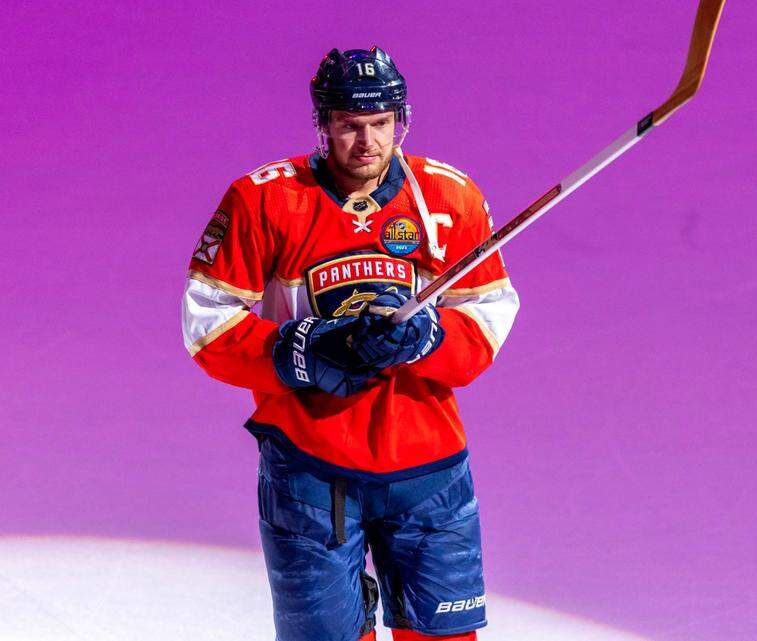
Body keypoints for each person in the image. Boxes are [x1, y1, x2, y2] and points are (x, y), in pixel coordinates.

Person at [181, 46, 519, 641]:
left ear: (401, 119)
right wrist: (306, 351)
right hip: (311, 467)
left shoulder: (450, 198)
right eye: (349, 126)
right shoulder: (263, 199)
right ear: (323, 124)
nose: (367, 142)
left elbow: (488, 317)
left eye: (381, 124)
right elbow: (207, 324)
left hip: (428, 466)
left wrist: (428, 339)